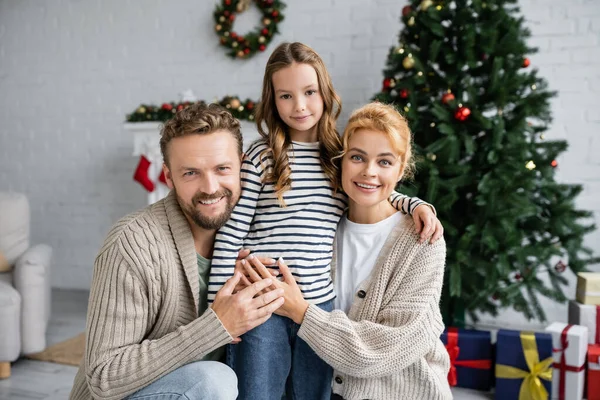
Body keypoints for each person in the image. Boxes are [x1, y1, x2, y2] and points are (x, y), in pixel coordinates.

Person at [207, 42, 444, 400]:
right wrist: (218, 309)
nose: (299, 106)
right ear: (272, 100)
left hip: (320, 308)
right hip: (261, 304)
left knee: (313, 393)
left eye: (309, 92)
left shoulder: (336, 157)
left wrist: (412, 203)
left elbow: (368, 188)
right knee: (258, 393)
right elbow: (230, 233)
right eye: (286, 96)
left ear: (325, 92)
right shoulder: (260, 156)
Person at [69, 103, 285, 400]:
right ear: (169, 178)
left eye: (222, 169)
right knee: (212, 380)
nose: (210, 188)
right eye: (191, 173)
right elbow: (103, 377)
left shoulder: (255, 234)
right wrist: (216, 326)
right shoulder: (132, 243)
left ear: (241, 167)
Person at [242, 102, 452, 400]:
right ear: (342, 160)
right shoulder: (322, 224)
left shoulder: (422, 240)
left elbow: (387, 350)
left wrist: (302, 312)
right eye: (357, 157)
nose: (369, 172)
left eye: (384, 162)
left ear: (402, 167)